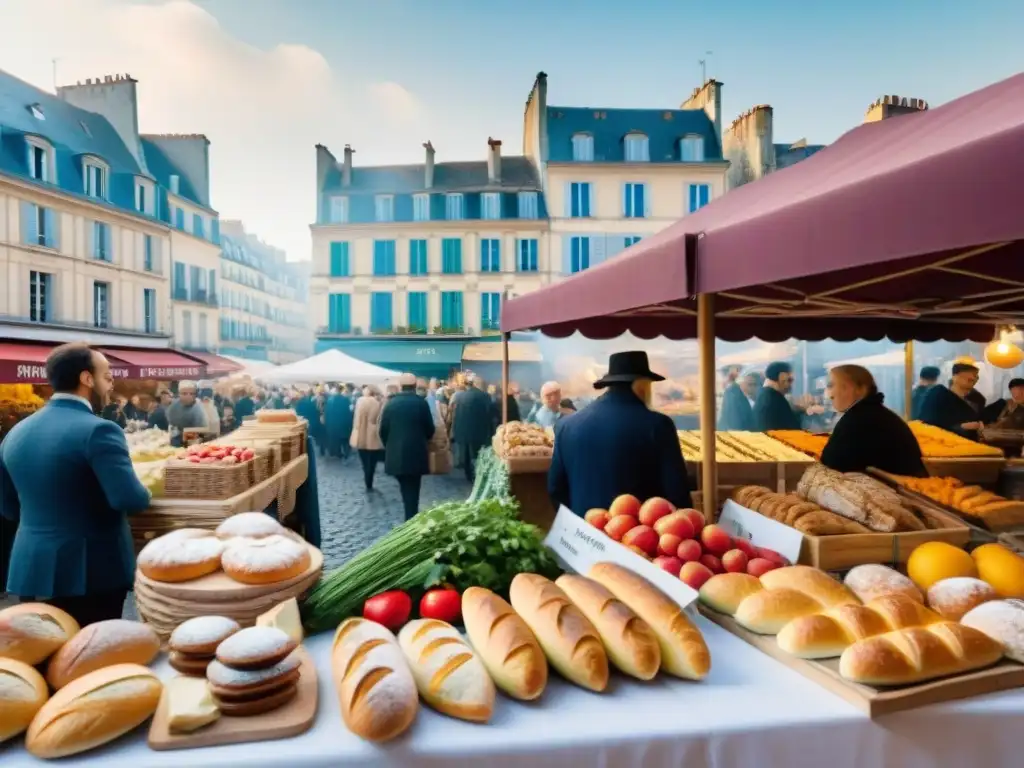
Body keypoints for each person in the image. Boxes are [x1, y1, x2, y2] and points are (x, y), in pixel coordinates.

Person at [0, 343, 151, 625]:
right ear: (87, 379)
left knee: (43, 659)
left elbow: (7, 506)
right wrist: (147, 490)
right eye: (107, 377)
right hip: (90, 571)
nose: (111, 385)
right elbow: (129, 499)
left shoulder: (16, 432)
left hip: (31, 567)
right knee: (89, 658)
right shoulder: (100, 429)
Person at [549, 351, 692, 515]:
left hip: (583, 534)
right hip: (637, 536)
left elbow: (555, 488)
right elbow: (677, 491)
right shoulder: (658, 425)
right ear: (641, 386)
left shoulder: (566, 426)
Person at [820, 365, 927, 476]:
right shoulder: (870, 413)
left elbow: (830, 466)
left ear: (860, 389)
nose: (830, 394)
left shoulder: (859, 420)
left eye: (832, 385)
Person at [379, 373, 435, 520]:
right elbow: (430, 428)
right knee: (413, 488)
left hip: (396, 454)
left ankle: (410, 514)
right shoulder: (421, 403)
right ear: (415, 386)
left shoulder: (390, 404)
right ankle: (410, 516)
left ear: (400, 386)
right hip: (417, 452)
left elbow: (383, 430)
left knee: (406, 487)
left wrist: (390, 446)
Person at [919, 362, 984, 440]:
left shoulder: (977, 399)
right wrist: (960, 427)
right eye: (971, 374)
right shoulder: (938, 393)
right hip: (944, 443)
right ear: (955, 377)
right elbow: (927, 423)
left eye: (976, 375)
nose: (975, 377)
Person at [452, 376, 495, 483]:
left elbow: (457, 414)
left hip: (463, 430)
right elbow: (490, 414)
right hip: (480, 431)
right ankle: (477, 475)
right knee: (478, 454)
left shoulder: (461, 396)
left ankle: (468, 475)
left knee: (466, 455)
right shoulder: (485, 396)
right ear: (478, 384)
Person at [351, 386, 385, 490]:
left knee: (364, 459)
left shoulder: (359, 401)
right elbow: (379, 419)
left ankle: (366, 476)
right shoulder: (377, 402)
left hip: (360, 432)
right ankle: (369, 479)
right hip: (373, 434)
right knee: (372, 460)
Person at [754, 361, 804, 431]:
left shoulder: (764, 394)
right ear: (782, 377)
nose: (791, 385)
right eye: (790, 380)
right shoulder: (775, 398)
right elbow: (793, 429)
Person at [166, 381, 207, 446]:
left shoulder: (199, 409)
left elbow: (201, 432)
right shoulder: (174, 406)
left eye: (191, 394)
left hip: (195, 442)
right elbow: (171, 424)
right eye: (184, 394)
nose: (188, 396)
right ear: (179, 394)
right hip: (176, 439)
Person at [325, 386, 354, 459]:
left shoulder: (330, 400)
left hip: (333, 423)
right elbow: (349, 412)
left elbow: (327, 412)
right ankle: (346, 453)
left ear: (336, 390)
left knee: (336, 439)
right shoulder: (346, 399)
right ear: (341, 391)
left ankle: (338, 453)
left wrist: (327, 422)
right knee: (345, 439)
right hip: (344, 423)